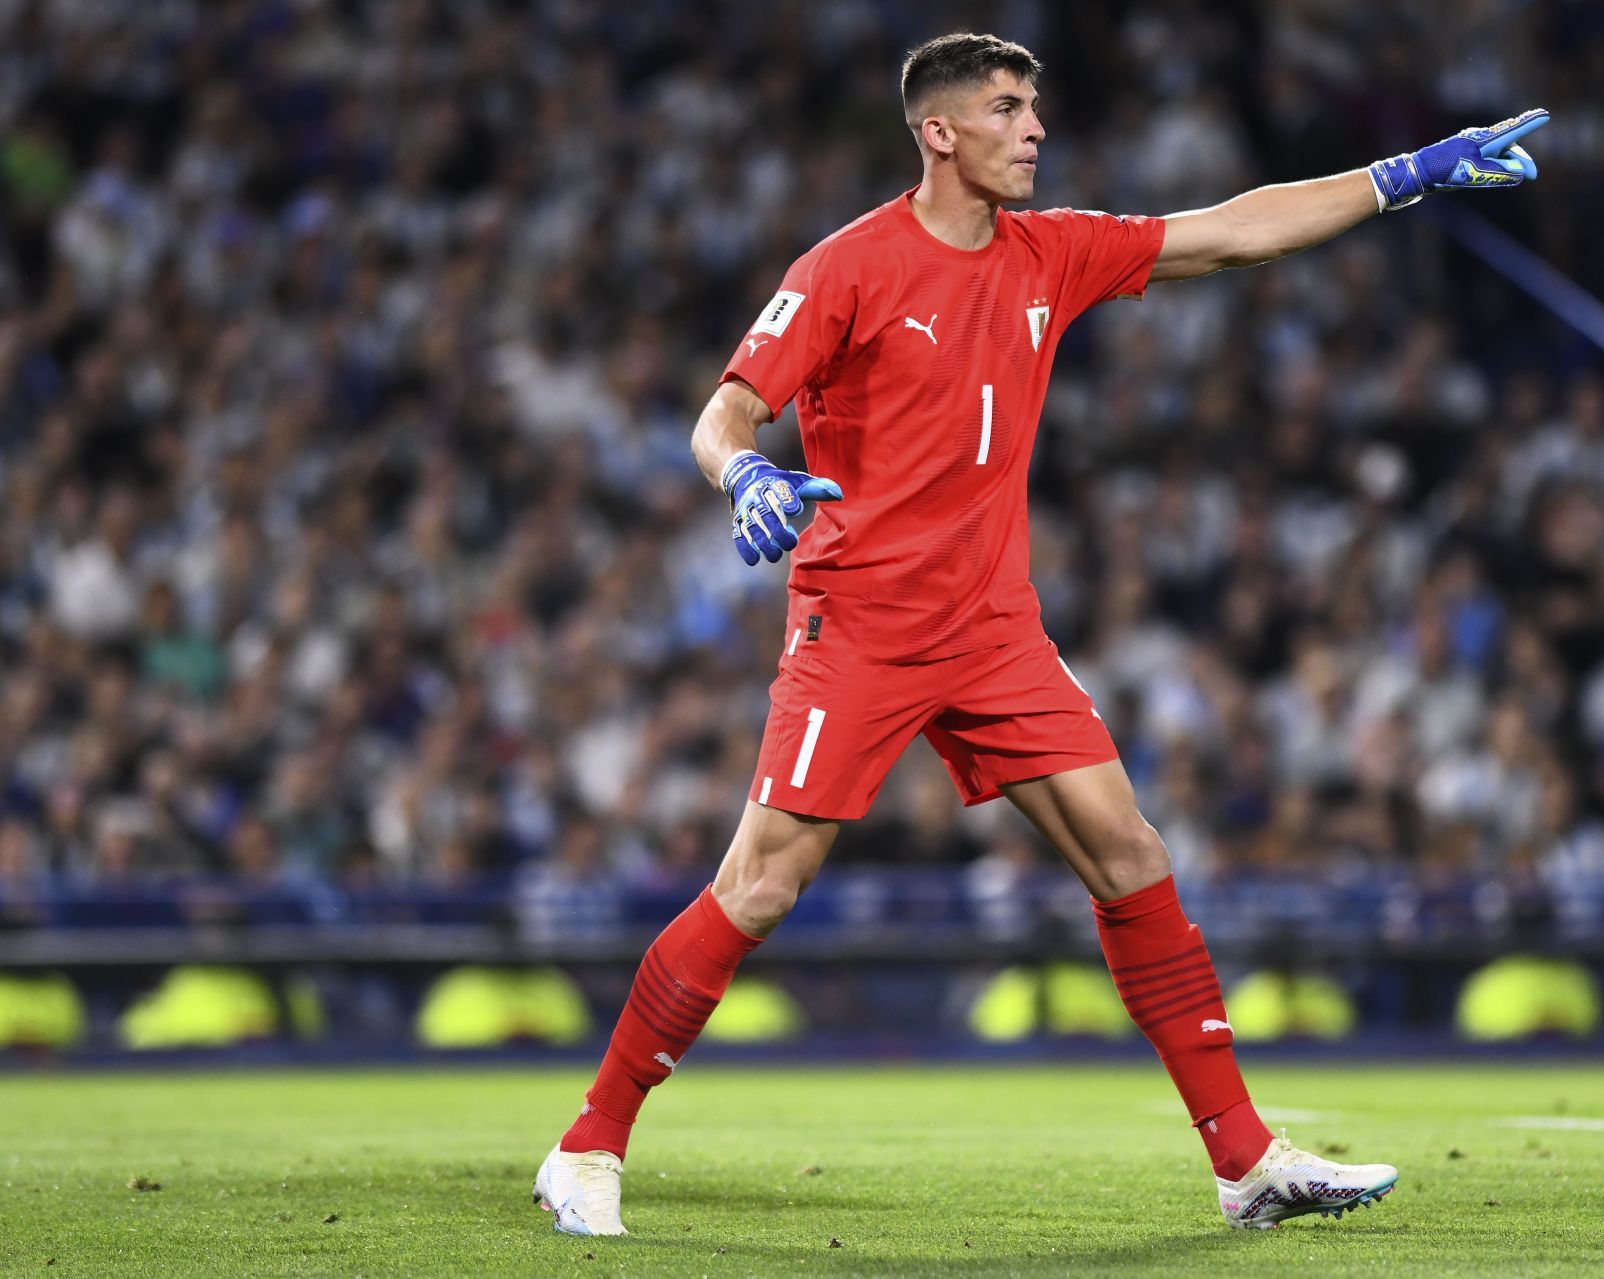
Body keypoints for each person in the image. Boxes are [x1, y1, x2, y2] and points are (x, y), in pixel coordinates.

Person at [534, 32, 1547, 1236]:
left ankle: (1245, 1159)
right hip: (860, 623)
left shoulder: (1050, 252)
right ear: (939, 131)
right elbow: (726, 408)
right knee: (762, 884)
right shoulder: (849, 265)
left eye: (1036, 108)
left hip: (995, 627)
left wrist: (1410, 171)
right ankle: (587, 1144)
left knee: (1130, 854)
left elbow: (1235, 229)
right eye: (1010, 109)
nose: (1036, 129)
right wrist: (747, 475)